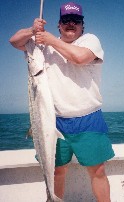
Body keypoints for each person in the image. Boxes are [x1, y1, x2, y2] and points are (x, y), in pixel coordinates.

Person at [10, 2, 115, 202]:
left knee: (98, 171)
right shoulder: (42, 47)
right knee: (57, 171)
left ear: (82, 25)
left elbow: (81, 58)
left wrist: (51, 40)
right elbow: (14, 41)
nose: (71, 24)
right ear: (59, 24)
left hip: (88, 118)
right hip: (54, 120)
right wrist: (33, 31)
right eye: (66, 20)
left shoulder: (89, 40)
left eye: (76, 20)